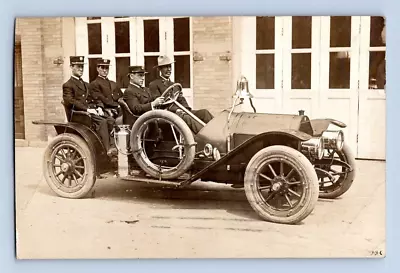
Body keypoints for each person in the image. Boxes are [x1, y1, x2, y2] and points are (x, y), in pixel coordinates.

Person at [62, 56, 117, 157]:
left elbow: (95, 98)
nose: (81, 69)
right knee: (103, 122)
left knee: (111, 120)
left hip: (89, 112)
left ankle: (114, 146)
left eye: (82, 66)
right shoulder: (68, 85)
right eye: (78, 66)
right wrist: (87, 109)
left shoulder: (86, 84)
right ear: (71, 67)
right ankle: (107, 150)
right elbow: (70, 101)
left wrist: (99, 107)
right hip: (78, 115)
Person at [149, 55, 214, 134]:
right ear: (159, 69)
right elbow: (159, 105)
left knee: (204, 113)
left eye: (170, 66)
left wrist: (186, 109)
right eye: (165, 67)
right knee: (187, 118)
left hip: (181, 112)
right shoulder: (154, 84)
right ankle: (207, 136)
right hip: (168, 115)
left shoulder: (174, 85)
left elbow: (181, 99)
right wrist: (176, 110)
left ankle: (219, 133)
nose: (169, 69)